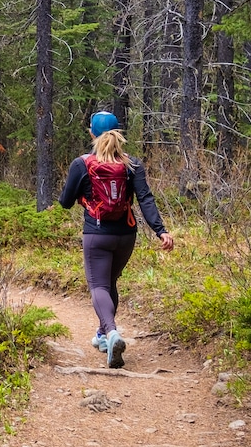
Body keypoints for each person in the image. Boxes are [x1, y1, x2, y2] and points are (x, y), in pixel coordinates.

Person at [56, 112, 174, 368]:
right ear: (119, 132)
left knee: (98, 286)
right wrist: (160, 230)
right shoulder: (132, 165)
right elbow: (146, 199)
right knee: (109, 283)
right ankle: (102, 335)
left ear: (92, 133)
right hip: (126, 236)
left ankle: (111, 334)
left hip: (97, 235)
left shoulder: (82, 164)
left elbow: (65, 202)